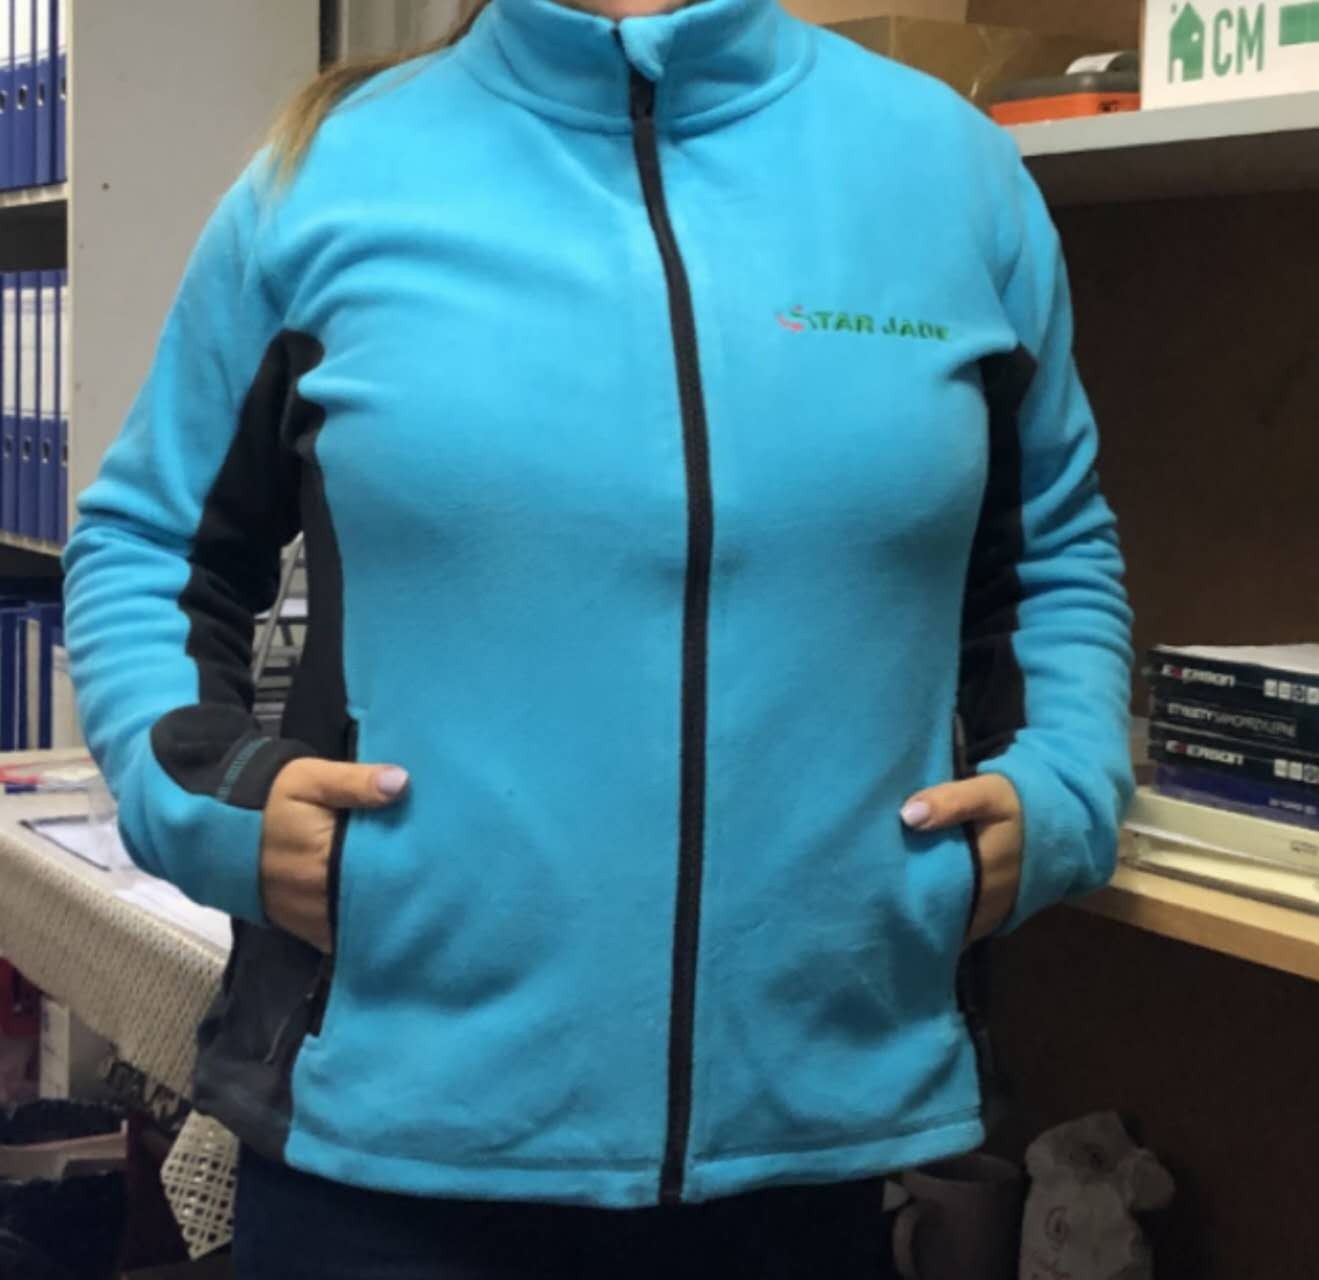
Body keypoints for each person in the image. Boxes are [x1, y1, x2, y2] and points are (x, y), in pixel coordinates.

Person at [61, 0, 1135, 1271]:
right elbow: (153, 543)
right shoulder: (325, 179)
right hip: (384, 1148)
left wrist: (1058, 787)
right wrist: (217, 796)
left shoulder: (949, 174)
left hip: (817, 1145)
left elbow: (1049, 551)